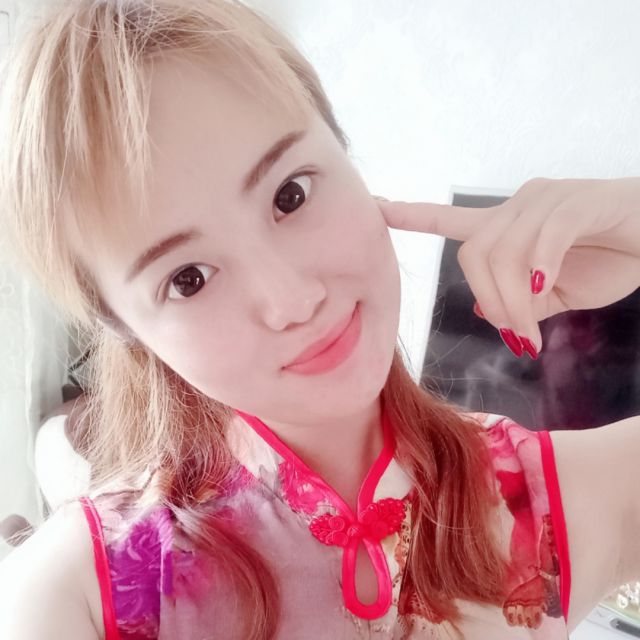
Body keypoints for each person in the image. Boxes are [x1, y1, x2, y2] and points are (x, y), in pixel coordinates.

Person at [0, 1, 638, 638]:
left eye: (291, 194)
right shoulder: (75, 596)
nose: (293, 300)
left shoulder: (547, 499)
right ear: (128, 330)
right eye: (188, 277)